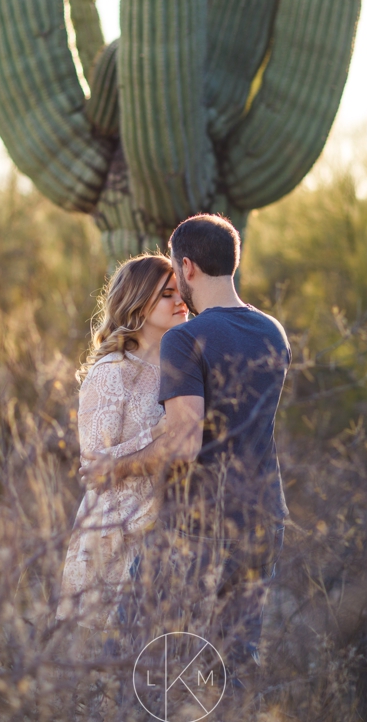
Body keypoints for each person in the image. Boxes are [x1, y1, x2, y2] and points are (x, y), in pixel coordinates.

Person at [80, 213, 291, 679]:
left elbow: (183, 445)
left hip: (198, 525)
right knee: (233, 659)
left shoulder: (185, 339)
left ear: (188, 267)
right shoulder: (272, 330)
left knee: (140, 658)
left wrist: (113, 468)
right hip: (263, 516)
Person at [57, 254, 186, 633]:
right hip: (117, 536)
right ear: (138, 302)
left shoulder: (184, 367)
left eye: (181, 291)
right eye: (167, 294)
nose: (180, 301)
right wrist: (165, 431)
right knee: (109, 673)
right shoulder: (112, 372)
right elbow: (98, 469)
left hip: (173, 532)